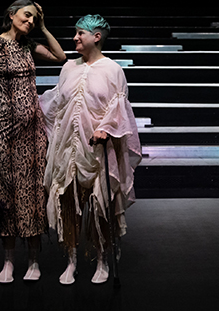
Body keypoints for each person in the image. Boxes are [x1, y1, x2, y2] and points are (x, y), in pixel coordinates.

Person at [39, 14, 143, 284]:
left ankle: (102, 259)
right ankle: (71, 261)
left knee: (100, 205)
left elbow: (118, 108)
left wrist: (105, 129)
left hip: (98, 149)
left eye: (79, 34)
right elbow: (57, 103)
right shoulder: (69, 68)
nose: (74, 38)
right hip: (68, 149)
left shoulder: (112, 70)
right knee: (68, 203)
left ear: (96, 37)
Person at [0, 0, 66, 283]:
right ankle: (9, 260)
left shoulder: (28, 46)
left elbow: (60, 57)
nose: (30, 22)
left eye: (34, 19)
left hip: (34, 130)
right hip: (4, 127)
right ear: (11, 14)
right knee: (7, 192)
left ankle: (35, 261)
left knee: (35, 192)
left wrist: (44, 26)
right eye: (27, 16)